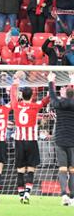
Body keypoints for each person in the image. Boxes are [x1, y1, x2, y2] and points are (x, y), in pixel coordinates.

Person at [9, 71, 50, 204]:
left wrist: (16, 81)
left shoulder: (16, 105)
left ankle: (21, 195)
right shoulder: (35, 105)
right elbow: (47, 99)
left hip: (19, 140)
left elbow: (12, 95)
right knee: (31, 168)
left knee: (20, 170)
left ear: (22, 95)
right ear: (32, 96)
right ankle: (27, 193)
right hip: (31, 141)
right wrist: (51, 82)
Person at [48, 72, 74, 206]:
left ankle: (64, 194)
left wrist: (51, 82)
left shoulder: (59, 104)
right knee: (73, 170)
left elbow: (52, 97)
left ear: (64, 94)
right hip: (72, 141)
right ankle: (73, 198)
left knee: (62, 169)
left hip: (60, 140)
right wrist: (72, 80)